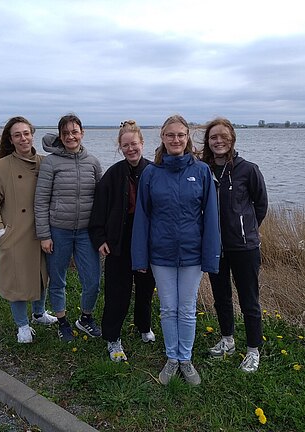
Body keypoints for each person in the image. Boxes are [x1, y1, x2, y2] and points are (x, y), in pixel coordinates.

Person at [132, 114, 220, 385]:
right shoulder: (151, 173)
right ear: (162, 137)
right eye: (170, 135)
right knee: (169, 309)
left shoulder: (202, 171)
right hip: (161, 254)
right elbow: (142, 217)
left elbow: (211, 218)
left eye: (181, 135)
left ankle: (186, 359)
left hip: (192, 254)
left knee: (187, 308)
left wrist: (211, 257)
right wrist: (140, 257)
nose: (176, 139)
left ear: (188, 137)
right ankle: (172, 359)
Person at [0, 116, 58, 344]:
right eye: (17, 135)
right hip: (16, 235)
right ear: (11, 140)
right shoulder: (1, 167)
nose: (23, 138)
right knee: (16, 281)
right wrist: (0, 231)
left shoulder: (45, 163)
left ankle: (39, 313)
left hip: (43, 232)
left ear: (32, 134)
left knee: (42, 276)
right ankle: (22, 325)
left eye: (26, 133)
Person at [201, 117, 268, 373]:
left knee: (249, 299)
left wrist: (246, 229)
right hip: (215, 247)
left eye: (223, 136)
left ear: (232, 139)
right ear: (208, 142)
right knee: (221, 297)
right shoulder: (203, 170)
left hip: (244, 247)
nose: (218, 141)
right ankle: (227, 340)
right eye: (213, 137)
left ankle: (253, 350)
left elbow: (260, 205)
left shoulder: (248, 169)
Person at [89, 120, 156, 362]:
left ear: (142, 144)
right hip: (118, 240)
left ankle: (143, 326)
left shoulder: (153, 171)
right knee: (117, 291)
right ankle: (112, 337)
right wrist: (100, 239)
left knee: (146, 287)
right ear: (120, 147)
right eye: (125, 145)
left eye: (134, 144)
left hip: (146, 241)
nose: (131, 149)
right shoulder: (113, 174)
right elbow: (99, 210)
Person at [34, 113, 103, 342]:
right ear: (60, 137)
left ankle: (85, 319)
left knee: (92, 280)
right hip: (58, 231)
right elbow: (41, 201)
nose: (71, 136)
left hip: (86, 232)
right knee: (58, 278)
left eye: (75, 132)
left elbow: (102, 197)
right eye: (66, 133)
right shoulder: (51, 163)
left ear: (82, 133)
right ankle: (62, 322)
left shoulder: (92, 162)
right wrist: (44, 235)